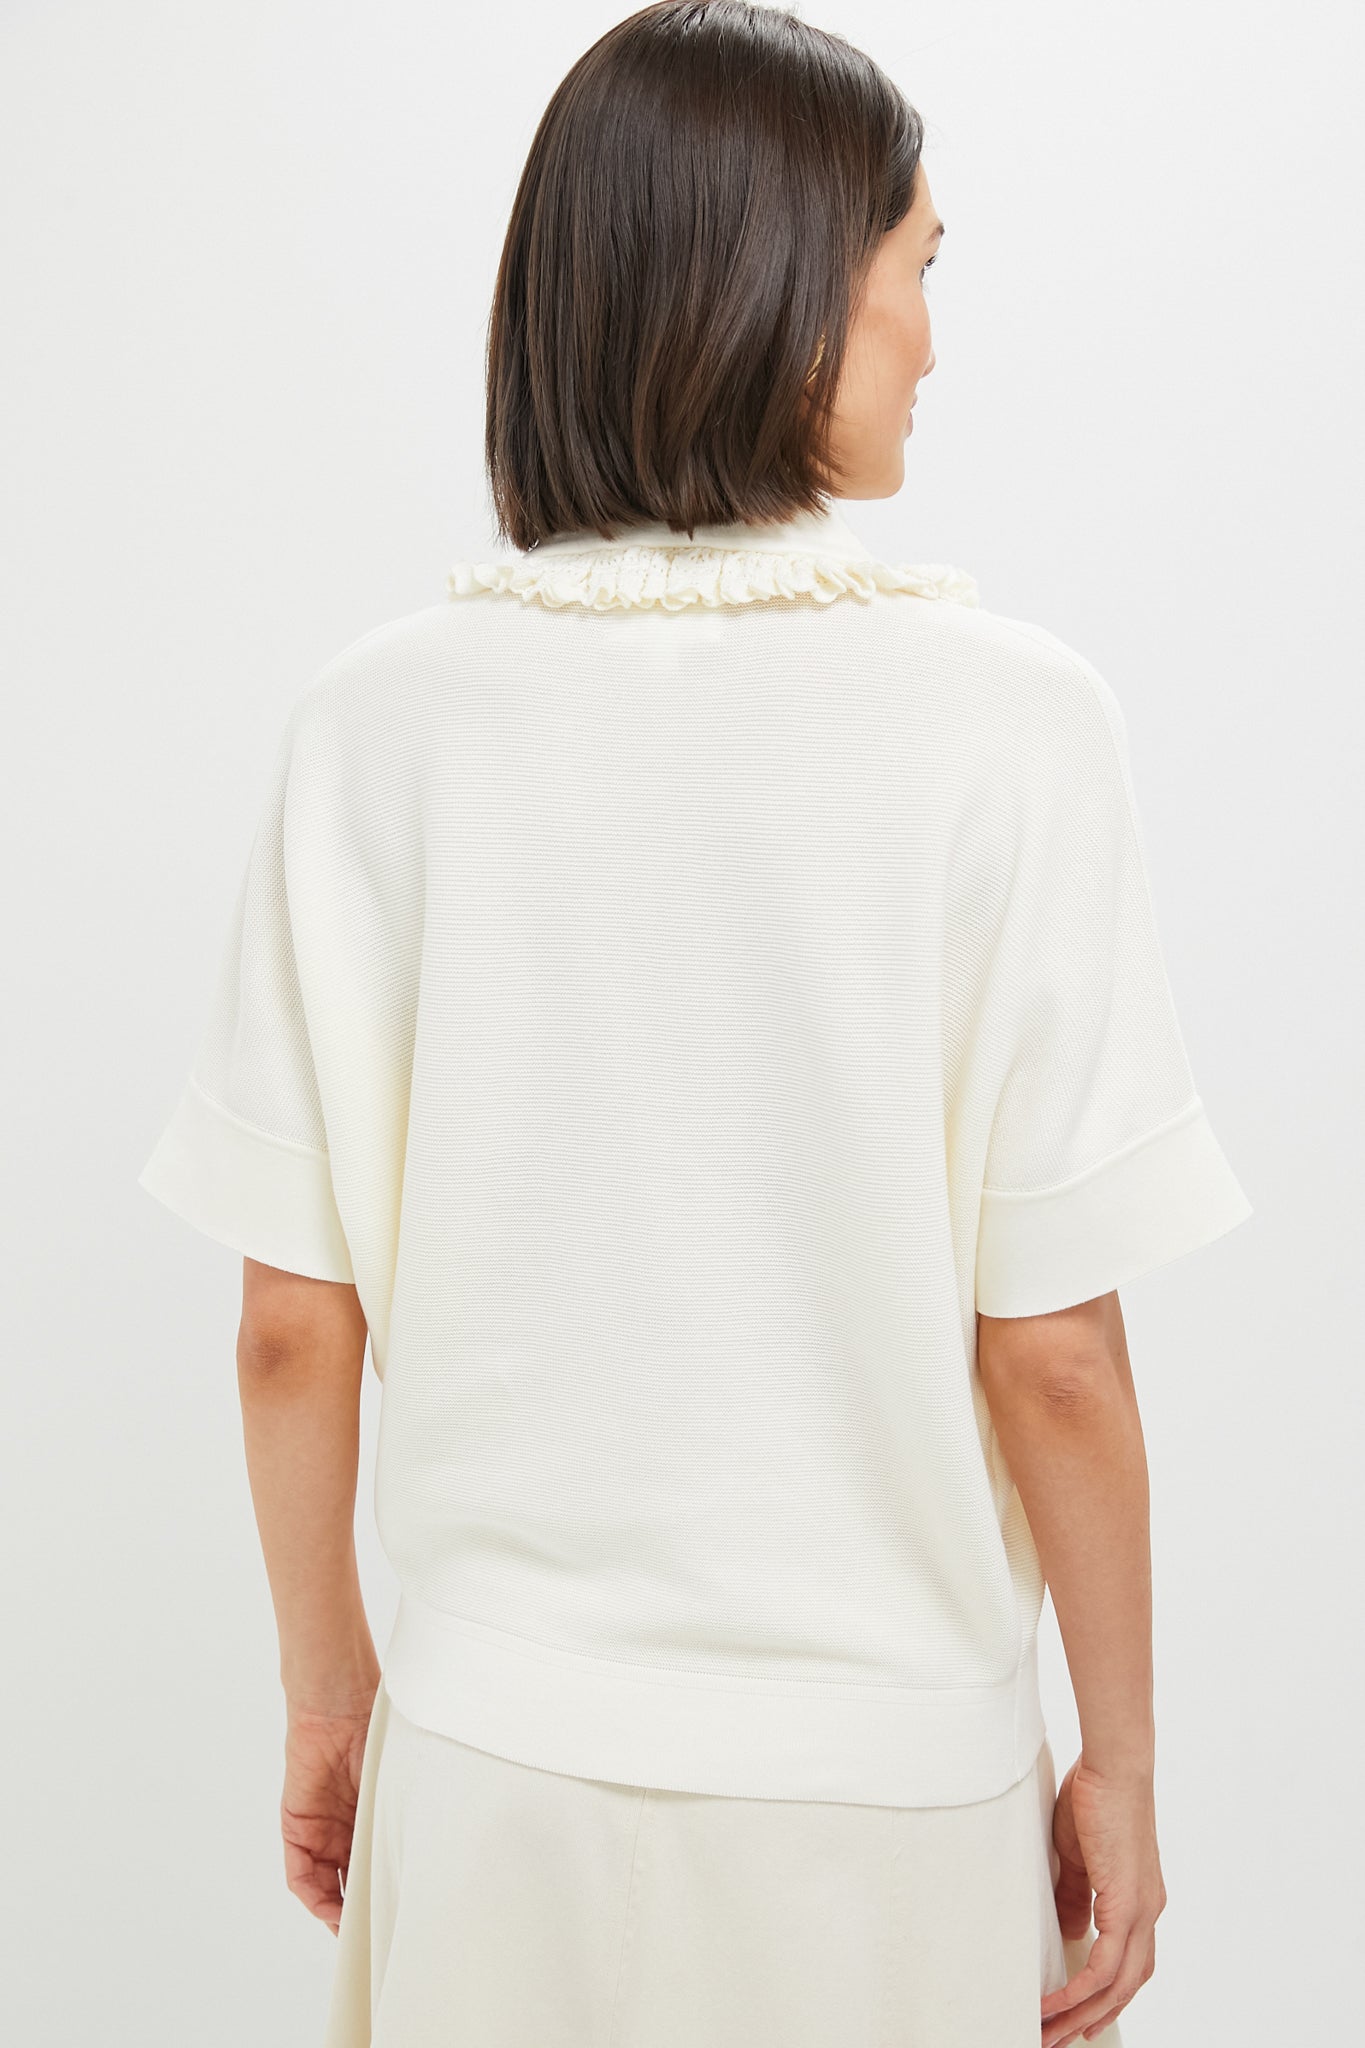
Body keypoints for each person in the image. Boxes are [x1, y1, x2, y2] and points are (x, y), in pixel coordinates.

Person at [136, 5, 1253, 2045]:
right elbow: (1054, 1353)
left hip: (490, 1770)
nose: (934, 337)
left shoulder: (376, 727)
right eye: (917, 265)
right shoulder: (1011, 726)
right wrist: (1121, 1755)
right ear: (788, 292)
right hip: (887, 1803)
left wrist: (329, 1698)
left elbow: (290, 1323)